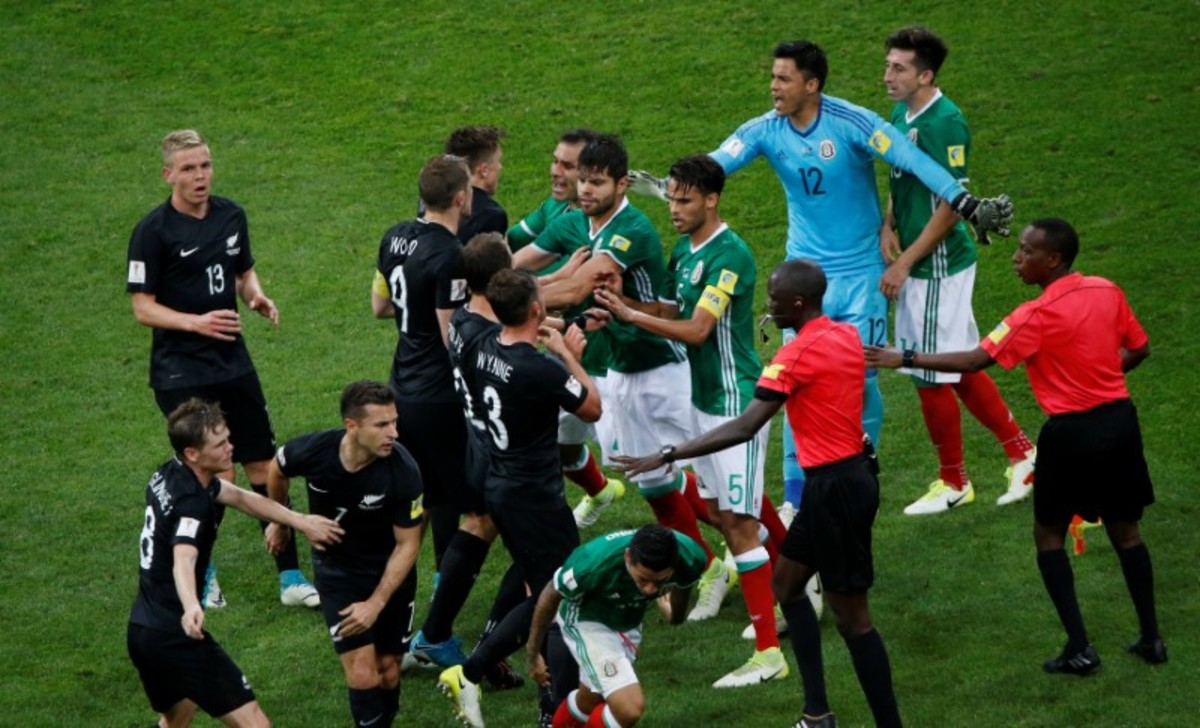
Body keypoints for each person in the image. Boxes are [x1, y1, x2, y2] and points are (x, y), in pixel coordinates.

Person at [630, 40, 1013, 523]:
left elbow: (913, 161)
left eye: (783, 78)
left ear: (811, 84)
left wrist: (965, 202)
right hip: (802, 282)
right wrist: (668, 188)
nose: (773, 86)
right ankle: (796, 497)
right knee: (794, 382)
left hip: (861, 279)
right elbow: (715, 165)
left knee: (861, 378)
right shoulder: (765, 130)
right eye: (773, 77)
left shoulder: (852, 122)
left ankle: (859, 476)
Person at [866, 218, 1167, 674]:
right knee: (1126, 530)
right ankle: (1152, 638)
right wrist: (1102, 378)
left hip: (1070, 435)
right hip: (1120, 423)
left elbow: (975, 360)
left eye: (1027, 251)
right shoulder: (1107, 290)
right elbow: (1140, 349)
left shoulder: (1033, 316)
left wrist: (903, 357)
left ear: (1055, 259)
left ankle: (1080, 648)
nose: (1016, 258)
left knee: (1048, 534)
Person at [619, 260, 903, 728]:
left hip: (836, 490)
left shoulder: (793, 357)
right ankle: (816, 714)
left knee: (854, 619)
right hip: (843, 481)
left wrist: (671, 452)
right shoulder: (844, 334)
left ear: (798, 303)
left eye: (774, 298)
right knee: (786, 584)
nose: (767, 305)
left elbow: (745, 426)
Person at [516, 134, 730, 621]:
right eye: (583, 180)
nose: (585, 189)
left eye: (597, 182)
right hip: (622, 370)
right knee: (653, 478)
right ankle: (713, 565)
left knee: (715, 480)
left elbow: (577, 288)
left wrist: (503, 300)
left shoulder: (629, 229)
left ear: (621, 184)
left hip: (663, 368)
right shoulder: (584, 224)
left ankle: (758, 560)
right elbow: (538, 267)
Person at [595, 155, 790, 688]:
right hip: (702, 403)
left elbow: (700, 328)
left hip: (736, 406)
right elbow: (671, 312)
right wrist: (619, 303)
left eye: (684, 201)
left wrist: (632, 316)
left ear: (711, 199)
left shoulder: (731, 256)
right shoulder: (684, 251)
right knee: (722, 515)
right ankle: (795, 584)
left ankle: (770, 650)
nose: (674, 210)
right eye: (672, 199)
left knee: (740, 524)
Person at [126, 129, 319, 609]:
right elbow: (143, 308)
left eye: (205, 165)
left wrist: (255, 295)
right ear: (168, 174)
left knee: (263, 464)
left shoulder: (232, 215)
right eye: (188, 168)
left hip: (232, 361)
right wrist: (196, 322)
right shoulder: (152, 232)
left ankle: (291, 577)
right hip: (180, 370)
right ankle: (203, 574)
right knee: (215, 469)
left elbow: (241, 271)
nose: (200, 176)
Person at [877, 26, 1038, 515]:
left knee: (927, 371)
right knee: (957, 364)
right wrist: (888, 223)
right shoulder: (900, 111)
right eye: (887, 65)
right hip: (922, 260)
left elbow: (953, 205)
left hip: (937, 266)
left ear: (926, 75)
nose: (888, 75)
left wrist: (905, 262)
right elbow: (901, 176)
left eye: (899, 68)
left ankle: (954, 482)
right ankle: (1023, 454)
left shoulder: (946, 123)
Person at [438, 268, 602, 728]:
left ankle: (536, 699)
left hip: (500, 486)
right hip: (535, 498)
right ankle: (483, 678)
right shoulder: (539, 368)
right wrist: (567, 355)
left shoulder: (484, 346)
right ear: (535, 309)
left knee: (541, 589)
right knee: (562, 595)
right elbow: (592, 406)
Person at [128, 398, 343, 728]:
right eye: (220, 444)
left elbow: (240, 497)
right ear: (192, 453)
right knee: (256, 724)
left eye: (228, 438)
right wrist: (190, 605)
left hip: (142, 629)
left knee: (178, 715)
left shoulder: (169, 473)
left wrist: (299, 521)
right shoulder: (192, 503)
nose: (231, 448)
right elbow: (183, 557)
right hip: (176, 635)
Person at [263, 381, 423, 727]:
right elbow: (276, 469)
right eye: (382, 425)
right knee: (363, 672)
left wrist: (376, 603)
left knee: (388, 671)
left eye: (394, 422)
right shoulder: (315, 450)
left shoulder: (403, 471)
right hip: (337, 573)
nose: (394, 433)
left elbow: (408, 545)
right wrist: (282, 520)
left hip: (389, 575)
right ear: (352, 426)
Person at [407, 232, 524, 691]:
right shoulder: (495, 339)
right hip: (505, 454)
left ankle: (435, 634)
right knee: (537, 552)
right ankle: (490, 651)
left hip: (475, 446)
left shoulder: (460, 318)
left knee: (478, 525)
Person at [507, 127, 625, 528]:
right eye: (555, 161)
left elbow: (576, 291)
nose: (557, 172)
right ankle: (600, 490)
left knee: (647, 465)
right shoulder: (555, 212)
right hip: (564, 346)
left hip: (610, 360)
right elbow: (508, 253)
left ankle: (734, 539)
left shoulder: (616, 232)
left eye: (569, 166)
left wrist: (526, 298)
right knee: (556, 441)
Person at [373, 154, 471, 567]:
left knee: (414, 490)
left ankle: (392, 570)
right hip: (439, 393)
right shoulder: (450, 254)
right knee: (447, 496)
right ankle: (443, 582)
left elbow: (380, 305)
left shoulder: (394, 236)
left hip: (401, 383)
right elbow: (452, 337)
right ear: (461, 197)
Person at [525, 524, 707, 727]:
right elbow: (551, 593)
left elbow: (684, 585)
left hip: (627, 621)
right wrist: (533, 654)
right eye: (643, 579)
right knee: (628, 709)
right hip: (587, 619)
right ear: (628, 557)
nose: (650, 590)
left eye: (659, 582)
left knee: (589, 701)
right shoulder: (592, 563)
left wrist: (673, 615)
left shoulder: (691, 556)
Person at [444, 125, 509, 243]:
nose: (500, 167)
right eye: (498, 161)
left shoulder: (432, 201)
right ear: (484, 170)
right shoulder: (492, 216)